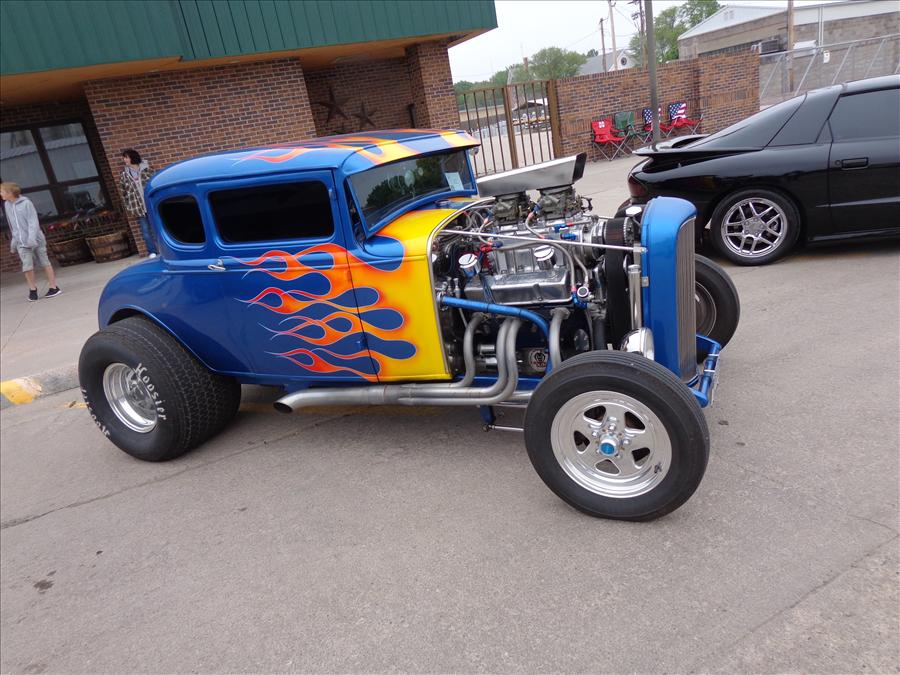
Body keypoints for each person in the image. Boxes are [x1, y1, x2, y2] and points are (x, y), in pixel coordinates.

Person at [1, 182, 60, 302]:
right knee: (27, 266)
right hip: (21, 242)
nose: (0, 193)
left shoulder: (26, 203)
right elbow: (12, 226)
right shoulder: (7, 205)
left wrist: (31, 239)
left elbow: (33, 222)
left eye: (2, 191)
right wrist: (14, 241)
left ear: (10, 192)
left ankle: (54, 287)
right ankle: (33, 290)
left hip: (36, 239)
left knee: (44, 262)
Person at [120, 148, 152, 218]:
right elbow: (123, 193)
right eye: (124, 158)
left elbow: (154, 185)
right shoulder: (125, 175)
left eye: (126, 157)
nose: (124, 160)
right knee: (144, 225)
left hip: (151, 205)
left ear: (133, 157)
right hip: (138, 209)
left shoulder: (146, 170)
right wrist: (129, 206)